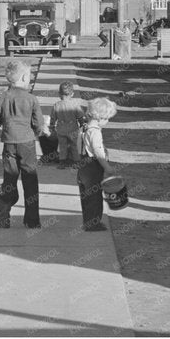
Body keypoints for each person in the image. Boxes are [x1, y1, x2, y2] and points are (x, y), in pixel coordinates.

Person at [0, 59, 47, 228]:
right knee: (30, 180)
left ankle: (4, 218)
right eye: (29, 76)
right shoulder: (31, 99)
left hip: (8, 143)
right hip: (27, 144)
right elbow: (38, 125)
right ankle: (32, 220)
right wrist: (38, 133)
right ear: (22, 78)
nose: (29, 79)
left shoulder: (1, 98)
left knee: (9, 179)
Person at [76, 97, 119, 232]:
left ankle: (87, 221)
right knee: (94, 196)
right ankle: (93, 223)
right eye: (107, 119)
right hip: (92, 166)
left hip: (83, 164)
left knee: (85, 195)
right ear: (100, 117)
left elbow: (78, 146)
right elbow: (98, 151)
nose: (107, 122)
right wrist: (107, 167)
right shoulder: (95, 132)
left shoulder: (83, 128)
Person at [48, 81, 87, 165]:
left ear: (59, 94)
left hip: (61, 129)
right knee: (73, 146)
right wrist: (82, 124)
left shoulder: (56, 105)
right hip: (73, 129)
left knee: (62, 146)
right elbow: (80, 117)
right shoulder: (75, 105)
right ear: (72, 94)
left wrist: (52, 127)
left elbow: (53, 118)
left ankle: (62, 162)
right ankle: (76, 161)